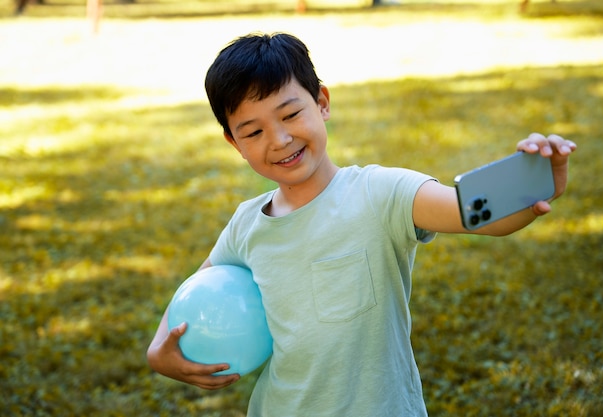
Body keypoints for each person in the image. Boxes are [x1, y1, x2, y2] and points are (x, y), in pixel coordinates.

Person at [147, 32, 576, 416]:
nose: (279, 140)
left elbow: (471, 213)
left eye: (291, 114)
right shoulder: (247, 225)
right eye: (253, 132)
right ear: (234, 143)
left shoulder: (380, 193)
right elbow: (196, 287)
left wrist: (535, 184)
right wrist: (158, 353)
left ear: (322, 103)